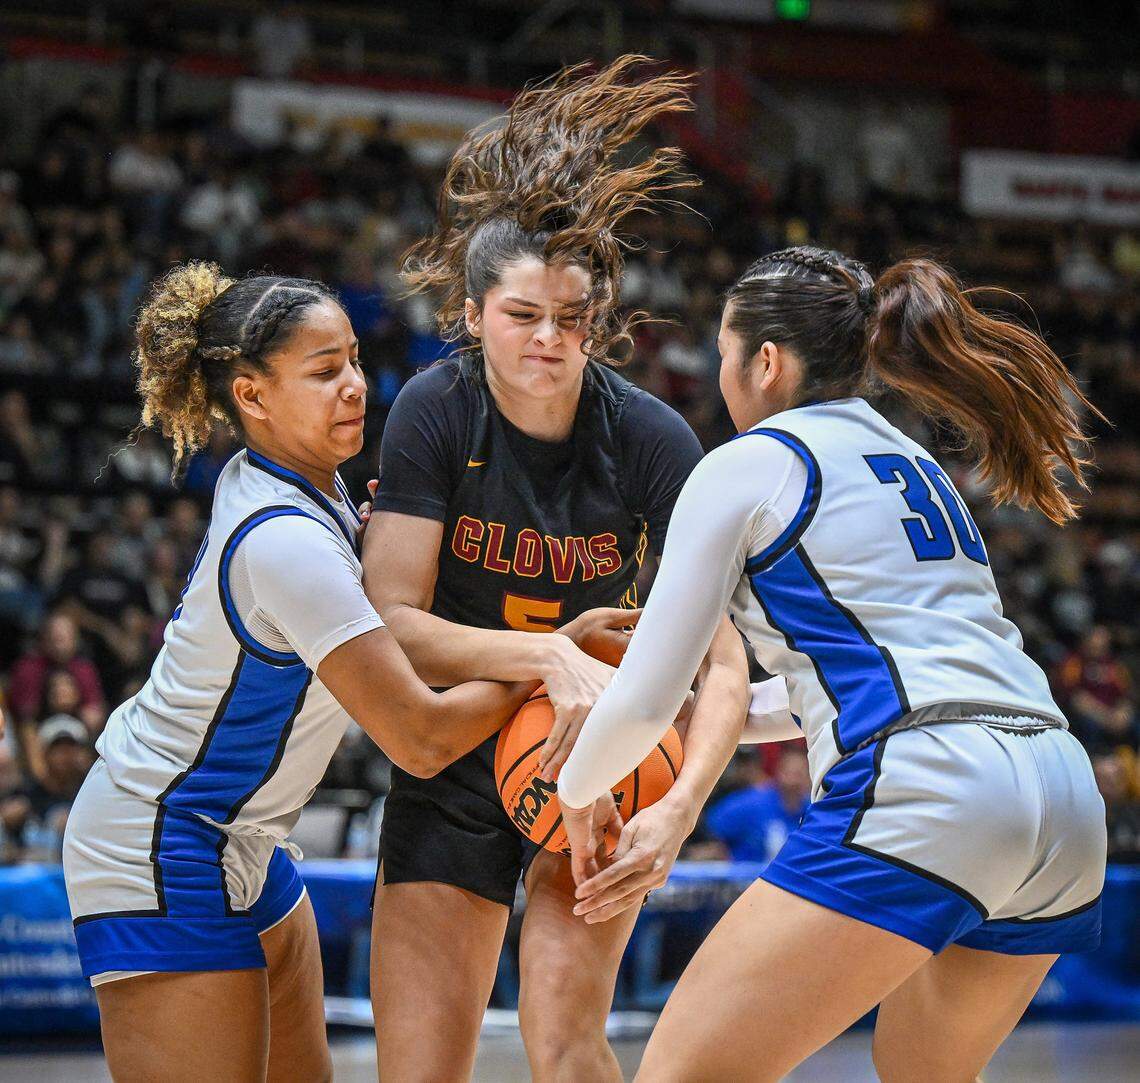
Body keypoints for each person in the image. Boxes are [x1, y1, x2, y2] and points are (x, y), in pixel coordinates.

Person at [557, 246, 1108, 1082]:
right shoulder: (915, 460)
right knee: (924, 1072)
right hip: (1061, 792)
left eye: (724, 352)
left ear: (766, 361)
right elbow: (871, 671)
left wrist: (574, 787)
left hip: (934, 786)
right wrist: (721, 719)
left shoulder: (748, 461)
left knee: (679, 1075)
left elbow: (642, 695)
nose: (721, 373)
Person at [360, 56, 751, 1082]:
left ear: (601, 320)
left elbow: (724, 658)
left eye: (571, 318)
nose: (549, 339)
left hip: (606, 757)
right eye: (523, 315)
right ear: (475, 312)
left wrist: (680, 806)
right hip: (454, 756)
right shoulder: (436, 412)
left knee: (570, 1055)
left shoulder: (658, 439)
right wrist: (548, 658)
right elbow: (388, 619)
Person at [62, 262, 537, 1083]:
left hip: (244, 841)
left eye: (353, 359)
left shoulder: (304, 487)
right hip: (164, 838)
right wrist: (545, 665)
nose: (355, 385)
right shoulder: (286, 539)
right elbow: (419, 737)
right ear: (250, 396)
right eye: (324, 372)